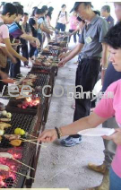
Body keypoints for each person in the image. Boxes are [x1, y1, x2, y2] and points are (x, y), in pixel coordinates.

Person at [39, 22, 121, 190]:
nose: (110, 58)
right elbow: (91, 121)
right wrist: (58, 131)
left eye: (114, 53)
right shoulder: (116, 88)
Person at [58, 2, 108, 147]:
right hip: (83, 63)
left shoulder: (101, 23)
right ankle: (77, 130)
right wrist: (65, 60)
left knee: (83, 99)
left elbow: (105, 49)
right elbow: (79, 47)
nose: (80, 15)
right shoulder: (86, 24)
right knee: (79, 97)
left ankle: (77, 135)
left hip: (92, 64)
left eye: (80, 12)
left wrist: (104, 70)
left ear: (88, 6)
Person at [86, 3, 121, 190]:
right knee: (109, 137)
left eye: (119, 6)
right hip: (111, 93)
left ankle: (106, 182)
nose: (117, 10)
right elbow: (91, 122)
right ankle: (106, 168)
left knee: (113, 139)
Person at [0, 3, 28, 109]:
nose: (13, 20)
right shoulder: (4, 27)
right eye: (13, 17)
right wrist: (21, 57)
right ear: (8, 14)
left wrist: (12, 56)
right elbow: (8, 47)